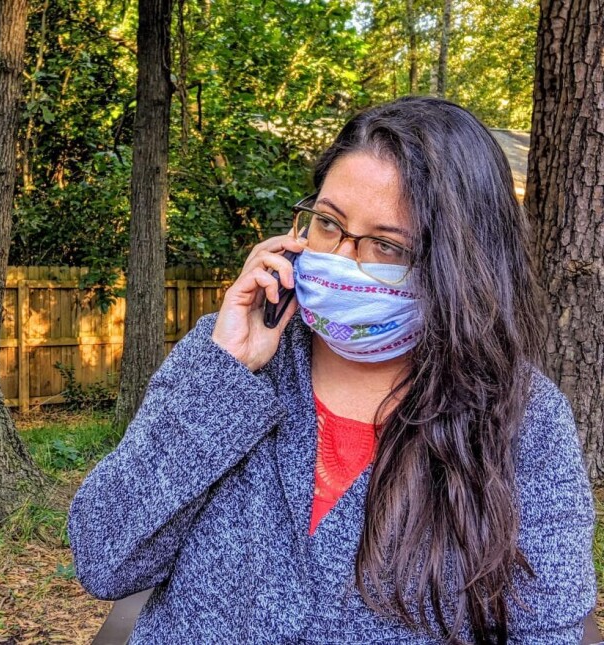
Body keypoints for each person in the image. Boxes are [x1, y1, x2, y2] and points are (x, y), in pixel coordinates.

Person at [67, 96, 597, 644]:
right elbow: (104, 558)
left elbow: (547, 627)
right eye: (328, 223)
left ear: (461, 266)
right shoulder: (230, 362)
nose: (342, 259)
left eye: (388, 246)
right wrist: (224, 372)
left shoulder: (522, 415)